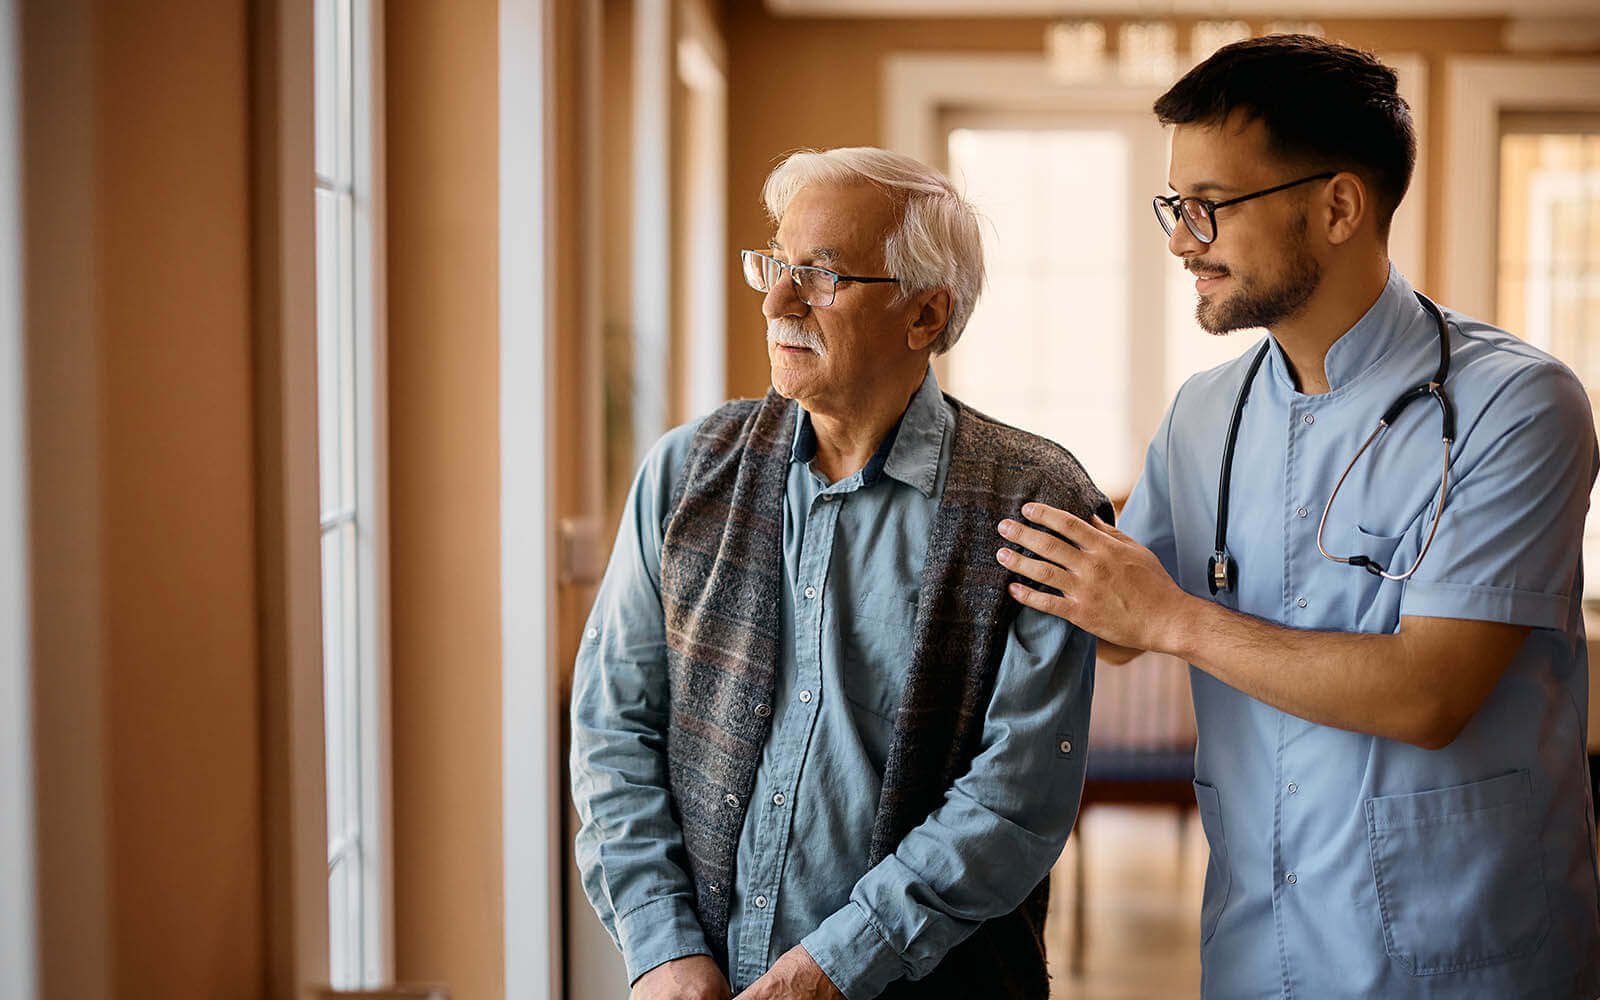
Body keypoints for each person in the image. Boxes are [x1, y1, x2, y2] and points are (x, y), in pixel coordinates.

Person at [996, 35, 1600, 998]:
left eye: (1210, 207)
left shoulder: (1516, 405)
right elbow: (1107, 622)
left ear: (1338, 206)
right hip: (1254, 948)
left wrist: (1174, 619)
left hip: (1463, 957)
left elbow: (1427, 695)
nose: (1180, 240)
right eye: (1174, 206)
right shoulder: (1206, 413)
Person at [571, 146, 1110, 1000]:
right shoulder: (682, 473)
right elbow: (614, 729)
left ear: (925, 315)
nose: (778, 302)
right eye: (776, 266)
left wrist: (836, 967)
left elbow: (1018, 794)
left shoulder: (1036, 501)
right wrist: (664, 948)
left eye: (820, 277)